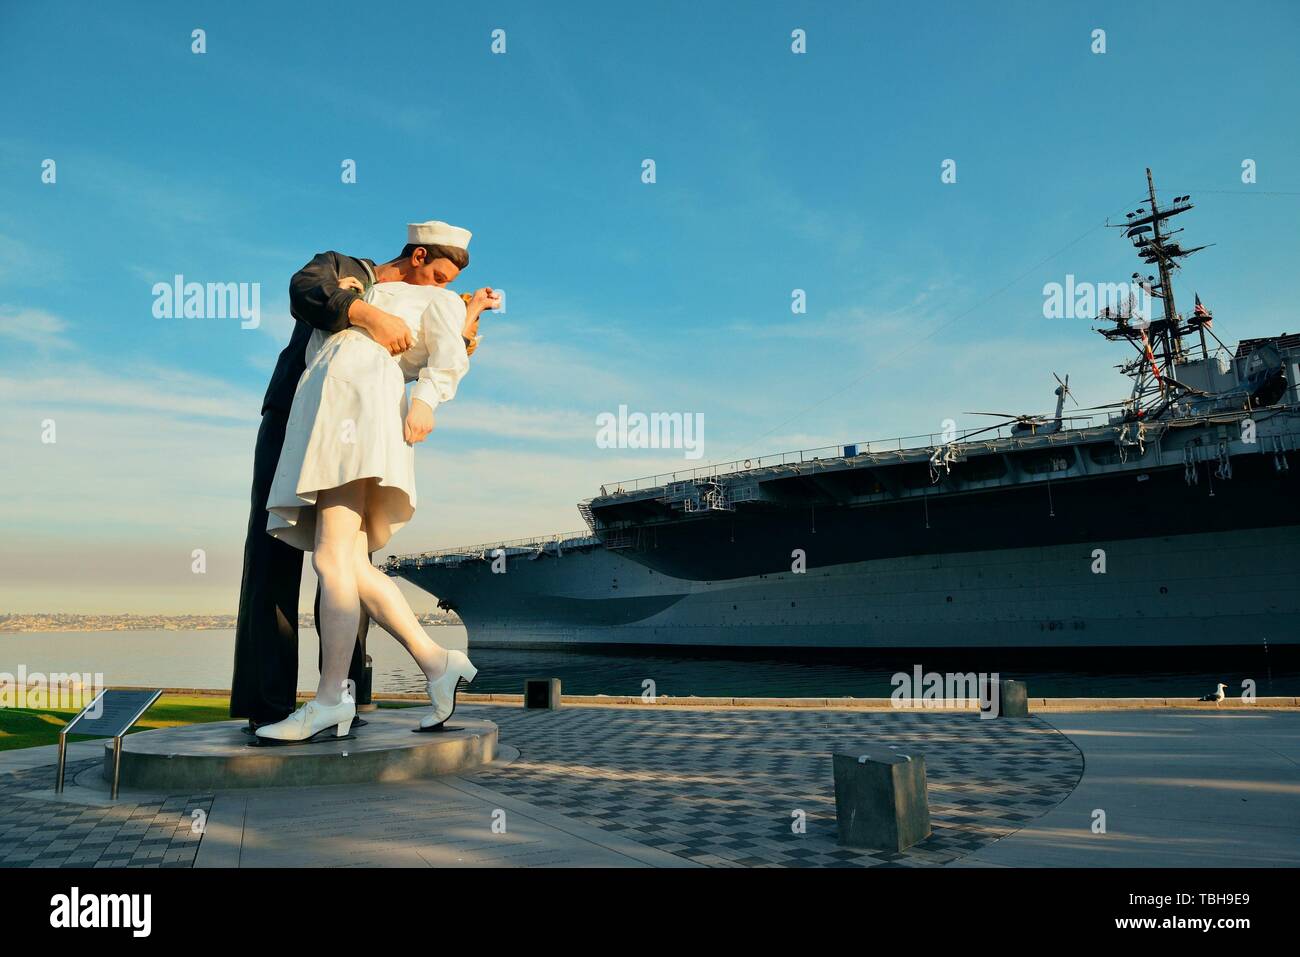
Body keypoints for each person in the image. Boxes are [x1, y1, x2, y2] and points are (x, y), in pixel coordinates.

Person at [255, 220, 498, 742]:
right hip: (326, 405)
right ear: (415, 255)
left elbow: (449, 355)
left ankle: (328, 700)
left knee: (330, 558)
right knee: (347, 561)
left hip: (357, 404)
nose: (439, 285)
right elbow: (311, 298)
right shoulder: (364, 285)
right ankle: (436, 662)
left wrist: (427, 402)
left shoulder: (435, 300)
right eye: (435, 272)